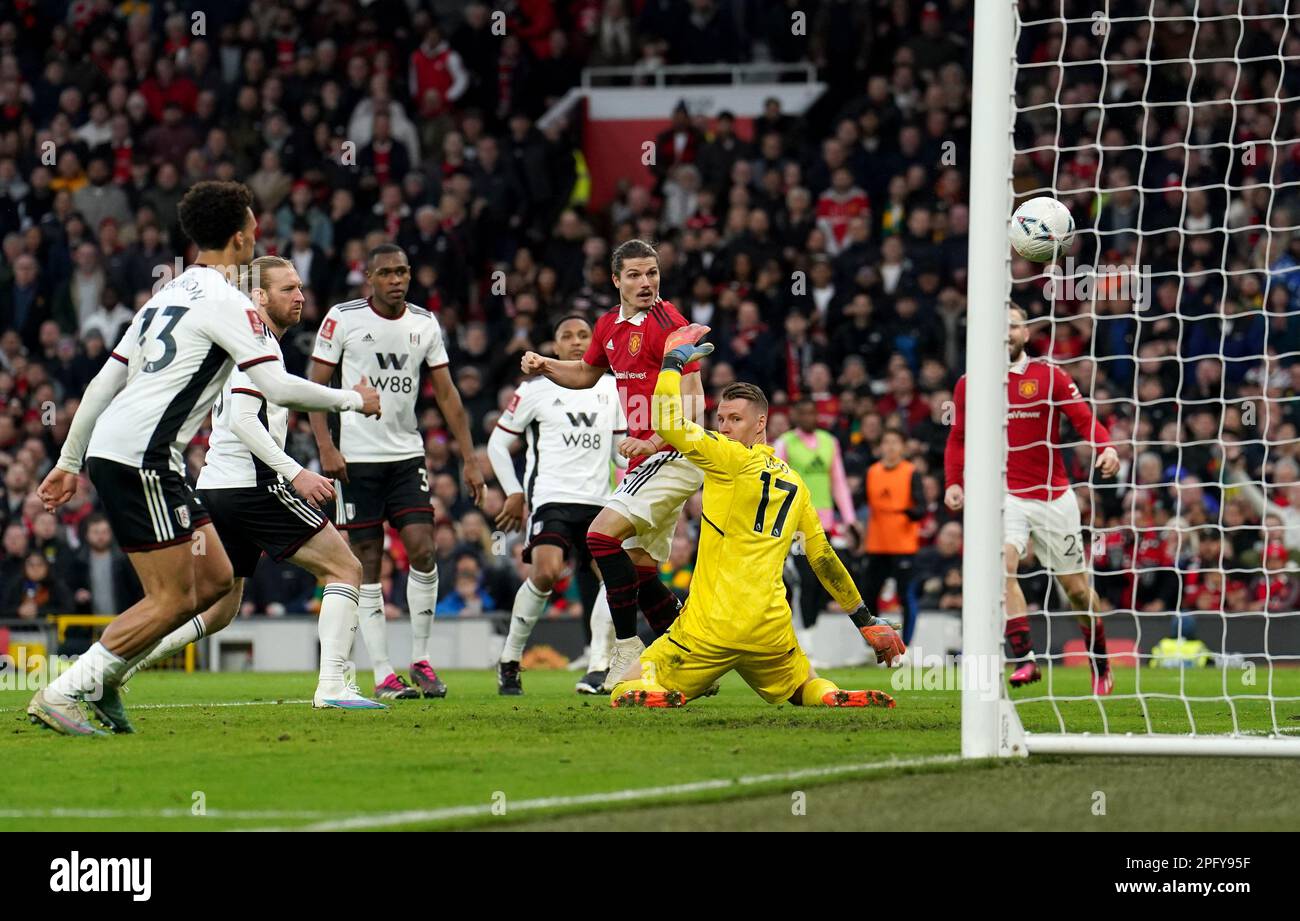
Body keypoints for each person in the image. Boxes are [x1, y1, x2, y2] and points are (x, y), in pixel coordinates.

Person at [30, 180, 380, 736]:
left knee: (216, 581)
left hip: (129, 453)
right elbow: (276, 387)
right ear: (241, 238)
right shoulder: (230, 304)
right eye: (254, 226)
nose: (258, 232)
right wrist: (351, 398)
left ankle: (106, 684)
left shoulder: (165, 296)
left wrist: (71, 460)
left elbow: (103, 381)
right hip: (141, 457)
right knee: (173, 598)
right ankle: (65, 689)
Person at [118, 256, 383, 711]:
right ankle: (334, 685)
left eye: (300, 288)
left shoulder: (244, 343)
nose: (299, 296)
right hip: (252, 486)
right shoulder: (255, 341)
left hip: (218, 488)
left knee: (218, 607)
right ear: (258, 296)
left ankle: (119, 665)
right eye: (287, 289)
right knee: (346, 569)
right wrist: (294, 471)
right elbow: (243, 419)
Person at [608, 324, 905, 708]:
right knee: (804, 684)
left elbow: (666, 423)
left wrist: (671, 363)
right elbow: (823, 558)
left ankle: (654, 692)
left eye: (736, 420)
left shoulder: (726, 457)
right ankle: (829, 695)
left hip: (709, 628)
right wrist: (865, 619)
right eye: (721, 420)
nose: (726, 428)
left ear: (761, 423)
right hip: (770, 630)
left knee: (625, 685)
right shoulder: (796, 483)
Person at [520, 239, 708, 692]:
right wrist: (546, 364)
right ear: (616, 280)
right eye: (636, 275)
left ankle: (625, 648)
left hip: (676, 455)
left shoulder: (673, 324)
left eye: (653, 274)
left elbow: (696, 401)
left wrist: (656, 440)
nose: (647, 283)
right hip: (651, 458)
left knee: (600, 538)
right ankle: (689, 655)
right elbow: (585, 375)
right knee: (638, 569)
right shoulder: (607, 326)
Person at [309, 243, 485, 700]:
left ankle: (421, 659)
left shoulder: (424, 323)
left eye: (403, 272)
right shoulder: (342, 319)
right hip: (355, 459)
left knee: (423, 549)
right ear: (369, 277)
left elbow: (447, 395)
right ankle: (384, 672)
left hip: (406, 455)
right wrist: (326, 446)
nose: (397, 280)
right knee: (367, 559)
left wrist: (468, 457)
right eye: (386, 273)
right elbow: (315, 386)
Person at [944, 306, 1120, 695]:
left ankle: (1100, 657)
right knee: (1001, 562)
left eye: (1013, 326)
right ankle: (1024, 657)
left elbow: (1083, 418)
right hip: (1005, 497)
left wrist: (1105, 448)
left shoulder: (1050, 375)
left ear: (1026, 333)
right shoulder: (970, 383)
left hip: (1055, 498)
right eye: (999, 326)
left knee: (1076, 590)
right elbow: (958, 437)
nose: (1006, 333)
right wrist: (954, 482)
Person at [488, 315, 625, 695]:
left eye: (585, 335)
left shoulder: (612, 389)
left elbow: (617, 452)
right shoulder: (534, 390)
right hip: (551, 500)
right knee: (546, 573)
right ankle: (511, 658)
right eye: (568, 335)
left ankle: (598, 665)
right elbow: (498, 444)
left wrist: (637, 470)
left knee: (613, 578)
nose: (578, 342)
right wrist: (514, 492)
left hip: (600, 502)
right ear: (555, 346)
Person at [773, 397, 859, 660]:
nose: (809, 417)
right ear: (795, 416)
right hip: (795, 522)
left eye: (813, 412)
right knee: (804, 581)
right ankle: (804, 642)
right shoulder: (784, 444)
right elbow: (776, 482)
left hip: (827, 524)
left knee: (832, 576)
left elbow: (839, 483)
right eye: (804, 413)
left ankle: (808, 636)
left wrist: (850, 520)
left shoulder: (829, 442)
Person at [860, 428, 925, 645]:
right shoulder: (872, 472)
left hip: (903, 545)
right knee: (868, 597)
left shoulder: (911, 472)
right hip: (876, 545)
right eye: (886, 442)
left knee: (906, 597)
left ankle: (906, 646)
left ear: (903, 447)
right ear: (880, 447)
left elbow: (921, 507)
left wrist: (905, 512)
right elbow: (859, 499)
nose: (890, 447)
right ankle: (876, 644)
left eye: (895, 442)